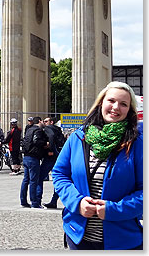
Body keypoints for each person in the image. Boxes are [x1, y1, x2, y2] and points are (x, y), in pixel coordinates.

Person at [52, 82, 143, 250]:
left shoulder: (137, 144)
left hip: (122, 241)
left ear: (130, 110)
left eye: (124, 104)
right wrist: (77, 203)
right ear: (101, 102)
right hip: (78, 237)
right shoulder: (78, 138)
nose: (116, 107)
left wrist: (115, 210)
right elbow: (59, 174)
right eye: (111, 100)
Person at [20, 116, 47, 208]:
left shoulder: (29, 130)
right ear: (39, 121)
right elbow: (36, 141)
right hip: (33, 157)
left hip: (26, 156)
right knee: (33, 181)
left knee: (25, 180)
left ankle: (23, 200)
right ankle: (34, 202)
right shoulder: (38, 130)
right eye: (43, 121)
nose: (44, 123)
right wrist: (45, 143)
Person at [37, 117, 63, 209]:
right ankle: (54, 200)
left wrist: (51, 149)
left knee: (39, 177)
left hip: (50, 157)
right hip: (59, 157)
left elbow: (51, 137)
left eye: (46, 121)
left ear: (51, 122)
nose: (44, 122)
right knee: (58, 179)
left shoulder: (48, 129)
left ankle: (37, 200)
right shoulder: (58, 130)